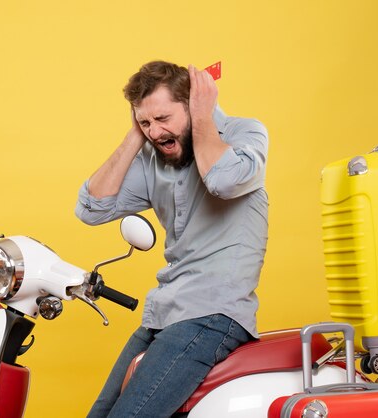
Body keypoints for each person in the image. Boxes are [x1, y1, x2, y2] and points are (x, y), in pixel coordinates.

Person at [75, 60, 268, 418]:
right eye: (145, 122)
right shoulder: (152, 156)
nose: (155, 131)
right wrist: (135, 136)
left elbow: (222, 182)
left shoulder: (245, 136)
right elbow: (91, 208)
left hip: (213, 314)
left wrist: (203, 117)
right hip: (163, 311)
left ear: (194, 104)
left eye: (163, 118)